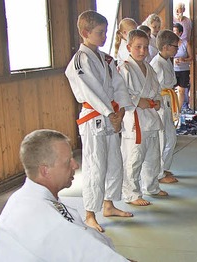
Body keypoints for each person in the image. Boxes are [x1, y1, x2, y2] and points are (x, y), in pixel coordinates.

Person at [0, 129, 132, 262]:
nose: (75, 165)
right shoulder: (37, 216)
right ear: (45, 171)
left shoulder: (31, 199)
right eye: (67, 162)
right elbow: (89, 255)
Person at [65, 10, 134, 232]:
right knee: (95, 165)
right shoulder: (79, 61)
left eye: (105, 32)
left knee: (115, 162)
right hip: (94, 118)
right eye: (99, 32)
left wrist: (121, 110)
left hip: (112, 116)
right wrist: (110, 113)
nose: (104, 37)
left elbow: (119, 85)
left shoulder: (106, 58)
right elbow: (90, 90)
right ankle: (89, 213)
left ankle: (109, 204)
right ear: (85, 32)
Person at [118, 29, 166, 206]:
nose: (142, 51)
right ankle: (131, 193)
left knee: (153, 156)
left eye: (145, 47)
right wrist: (139, 101)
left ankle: (151, 186)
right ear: (129, 46)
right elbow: (119, 93)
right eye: (138, 47)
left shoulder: (150, 68)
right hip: (135, 119)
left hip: (151, 118)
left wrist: (158, 101)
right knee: (134, 159)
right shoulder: (124, 68)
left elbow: (157, 90)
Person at [150, 29, 181, 184]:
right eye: (175, 46)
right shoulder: (156, 64)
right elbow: (154, 87)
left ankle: (164, 167)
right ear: (166, 47)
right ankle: (159, 173)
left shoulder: (166, 61)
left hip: (168, 100)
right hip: (161, 104)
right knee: (164, 138)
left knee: (171, 137)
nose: (177, 49)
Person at [172, 23, 193, 112]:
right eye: (173, 31)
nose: (174, 33)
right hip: (173, 70)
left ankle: (178, 111)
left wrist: (183, 60)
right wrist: (173, 60)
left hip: (184, 70)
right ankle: (172, 110)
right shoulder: (169, 44)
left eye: (176, 31)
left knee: (181, 91)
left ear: (180, 33)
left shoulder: (186, 43)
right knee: (172, 91)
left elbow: (191, 58)